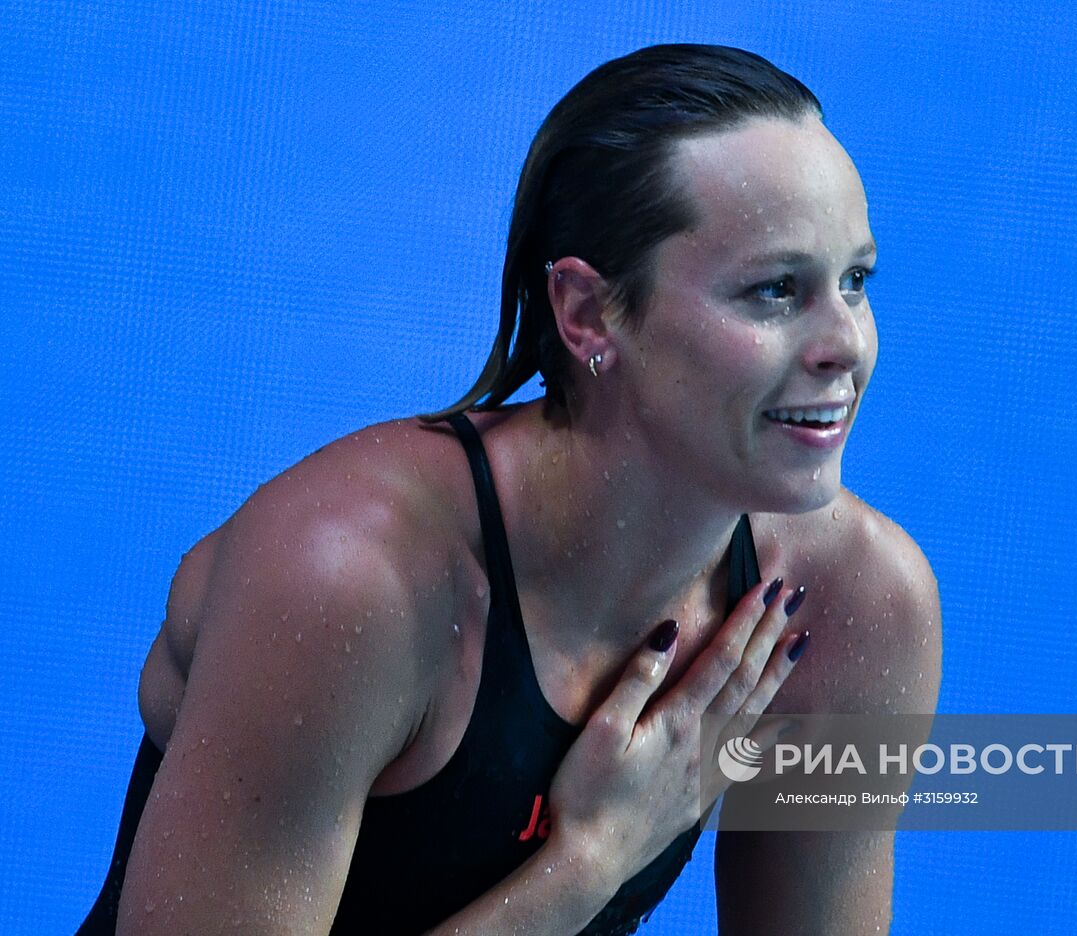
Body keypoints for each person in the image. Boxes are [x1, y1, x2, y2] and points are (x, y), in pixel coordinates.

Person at [76, 43, 941, 936]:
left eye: (854, 281)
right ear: (586, 312)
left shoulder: (851, 604)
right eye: (773, 291)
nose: (849, 344)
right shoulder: (354, 580)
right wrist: (588, 864)